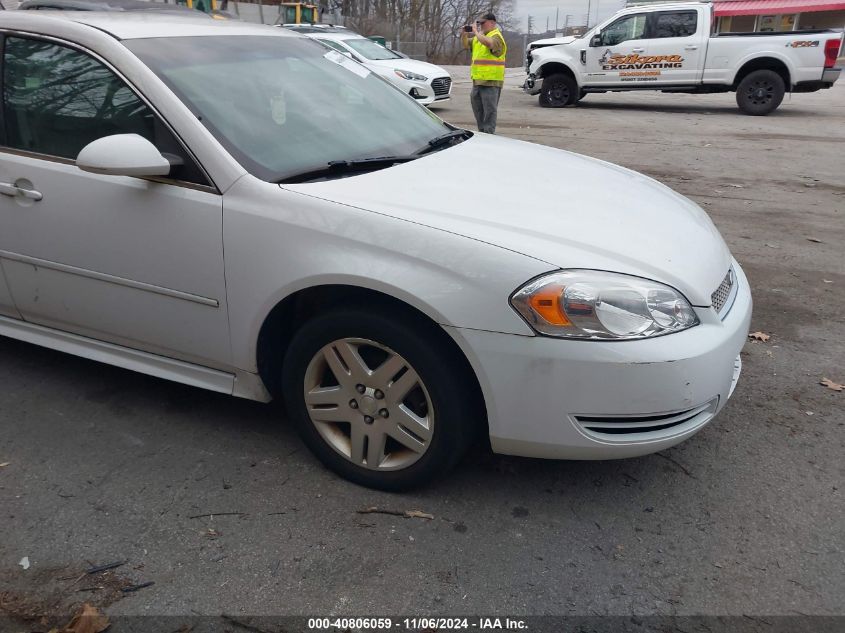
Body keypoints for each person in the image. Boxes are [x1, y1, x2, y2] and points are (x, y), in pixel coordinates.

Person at [461, 12, 507, 134]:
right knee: (478, 111)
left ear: (492, 23)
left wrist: (476, 32)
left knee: (489, 113)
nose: (480, 26)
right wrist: (464, 34)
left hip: (491, 82)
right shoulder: (478, 37)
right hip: (477, 81)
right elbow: (466, 45)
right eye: (479, 23)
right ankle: (482, 134)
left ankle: (489, 136)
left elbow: (490, 43)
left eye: (483, 23)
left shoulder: (496, 36)